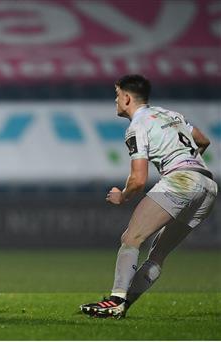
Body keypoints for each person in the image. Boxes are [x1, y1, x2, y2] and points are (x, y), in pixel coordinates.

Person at [79, 75, 217, 318]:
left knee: (132, 237)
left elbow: (138, 180)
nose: (115, 100)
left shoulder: (137, 126)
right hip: (207, 185)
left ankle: (115, 301)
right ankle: (122, 305)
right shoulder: (171, 114)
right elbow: (202, 140)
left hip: (181, 181)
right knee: (158, 254)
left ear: (127, 97)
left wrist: (121, 196)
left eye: (117, 95)